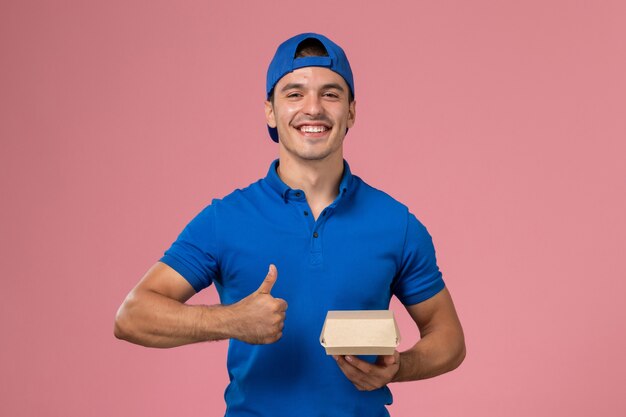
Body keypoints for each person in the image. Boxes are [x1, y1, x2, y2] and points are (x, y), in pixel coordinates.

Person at [115, 32, 465, 417]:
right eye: (294, 94)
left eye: (330, 94)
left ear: (350, 111)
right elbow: (133, 316)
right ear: (270, 111)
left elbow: (448, 338)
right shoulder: (225, 219)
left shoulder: (396, 223)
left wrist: (401, 367)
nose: (313, 108)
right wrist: (230, 320)